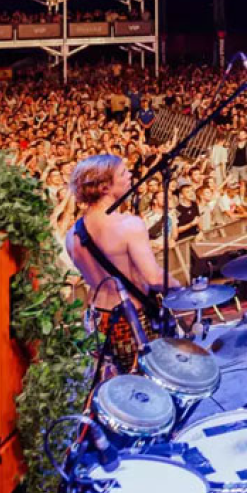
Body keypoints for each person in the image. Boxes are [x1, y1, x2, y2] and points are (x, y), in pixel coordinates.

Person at [63, 153, 166, 372]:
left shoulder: (72, 234)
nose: (130, 175)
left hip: (98, 319)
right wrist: (188, 292)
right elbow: (154, 278)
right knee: (148, 382)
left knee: (119, 382)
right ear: (104, 187)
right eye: (123, 173)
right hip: (131, 320)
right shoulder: (128, 224)